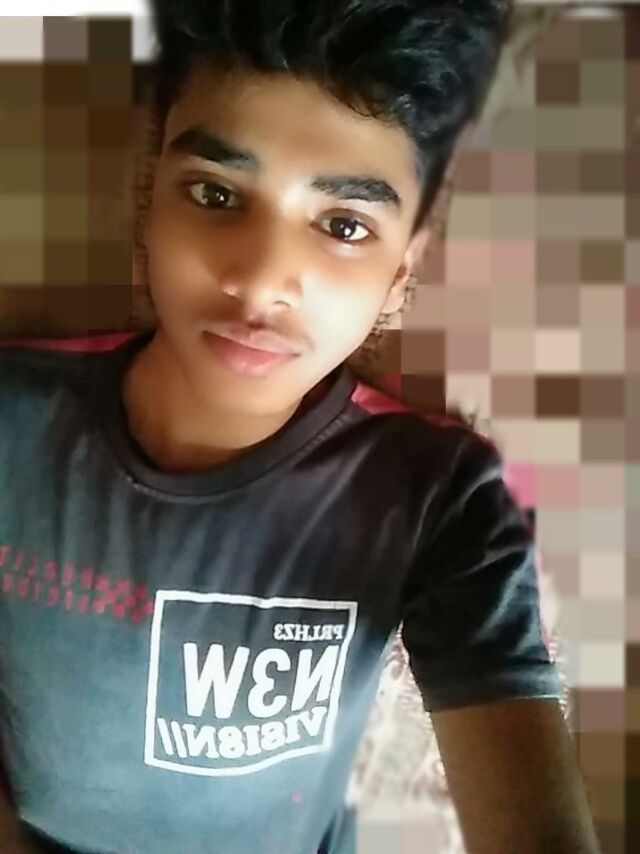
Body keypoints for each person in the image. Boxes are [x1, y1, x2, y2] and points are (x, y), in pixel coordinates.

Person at [0, 2, 601, 852]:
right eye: (215, 194)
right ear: (150, 199)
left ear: (403, 272)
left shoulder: (438, 496)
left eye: (344, 226)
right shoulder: (11, 418)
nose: (260, 281)